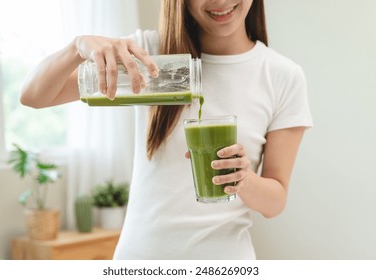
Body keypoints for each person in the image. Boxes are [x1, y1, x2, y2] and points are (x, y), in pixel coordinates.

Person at [21, 0, 313, 259]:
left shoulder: (282, 76)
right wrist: (77, 47)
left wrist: (243, 178)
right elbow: (33, 96)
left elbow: (275, 202)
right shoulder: (147, 54)